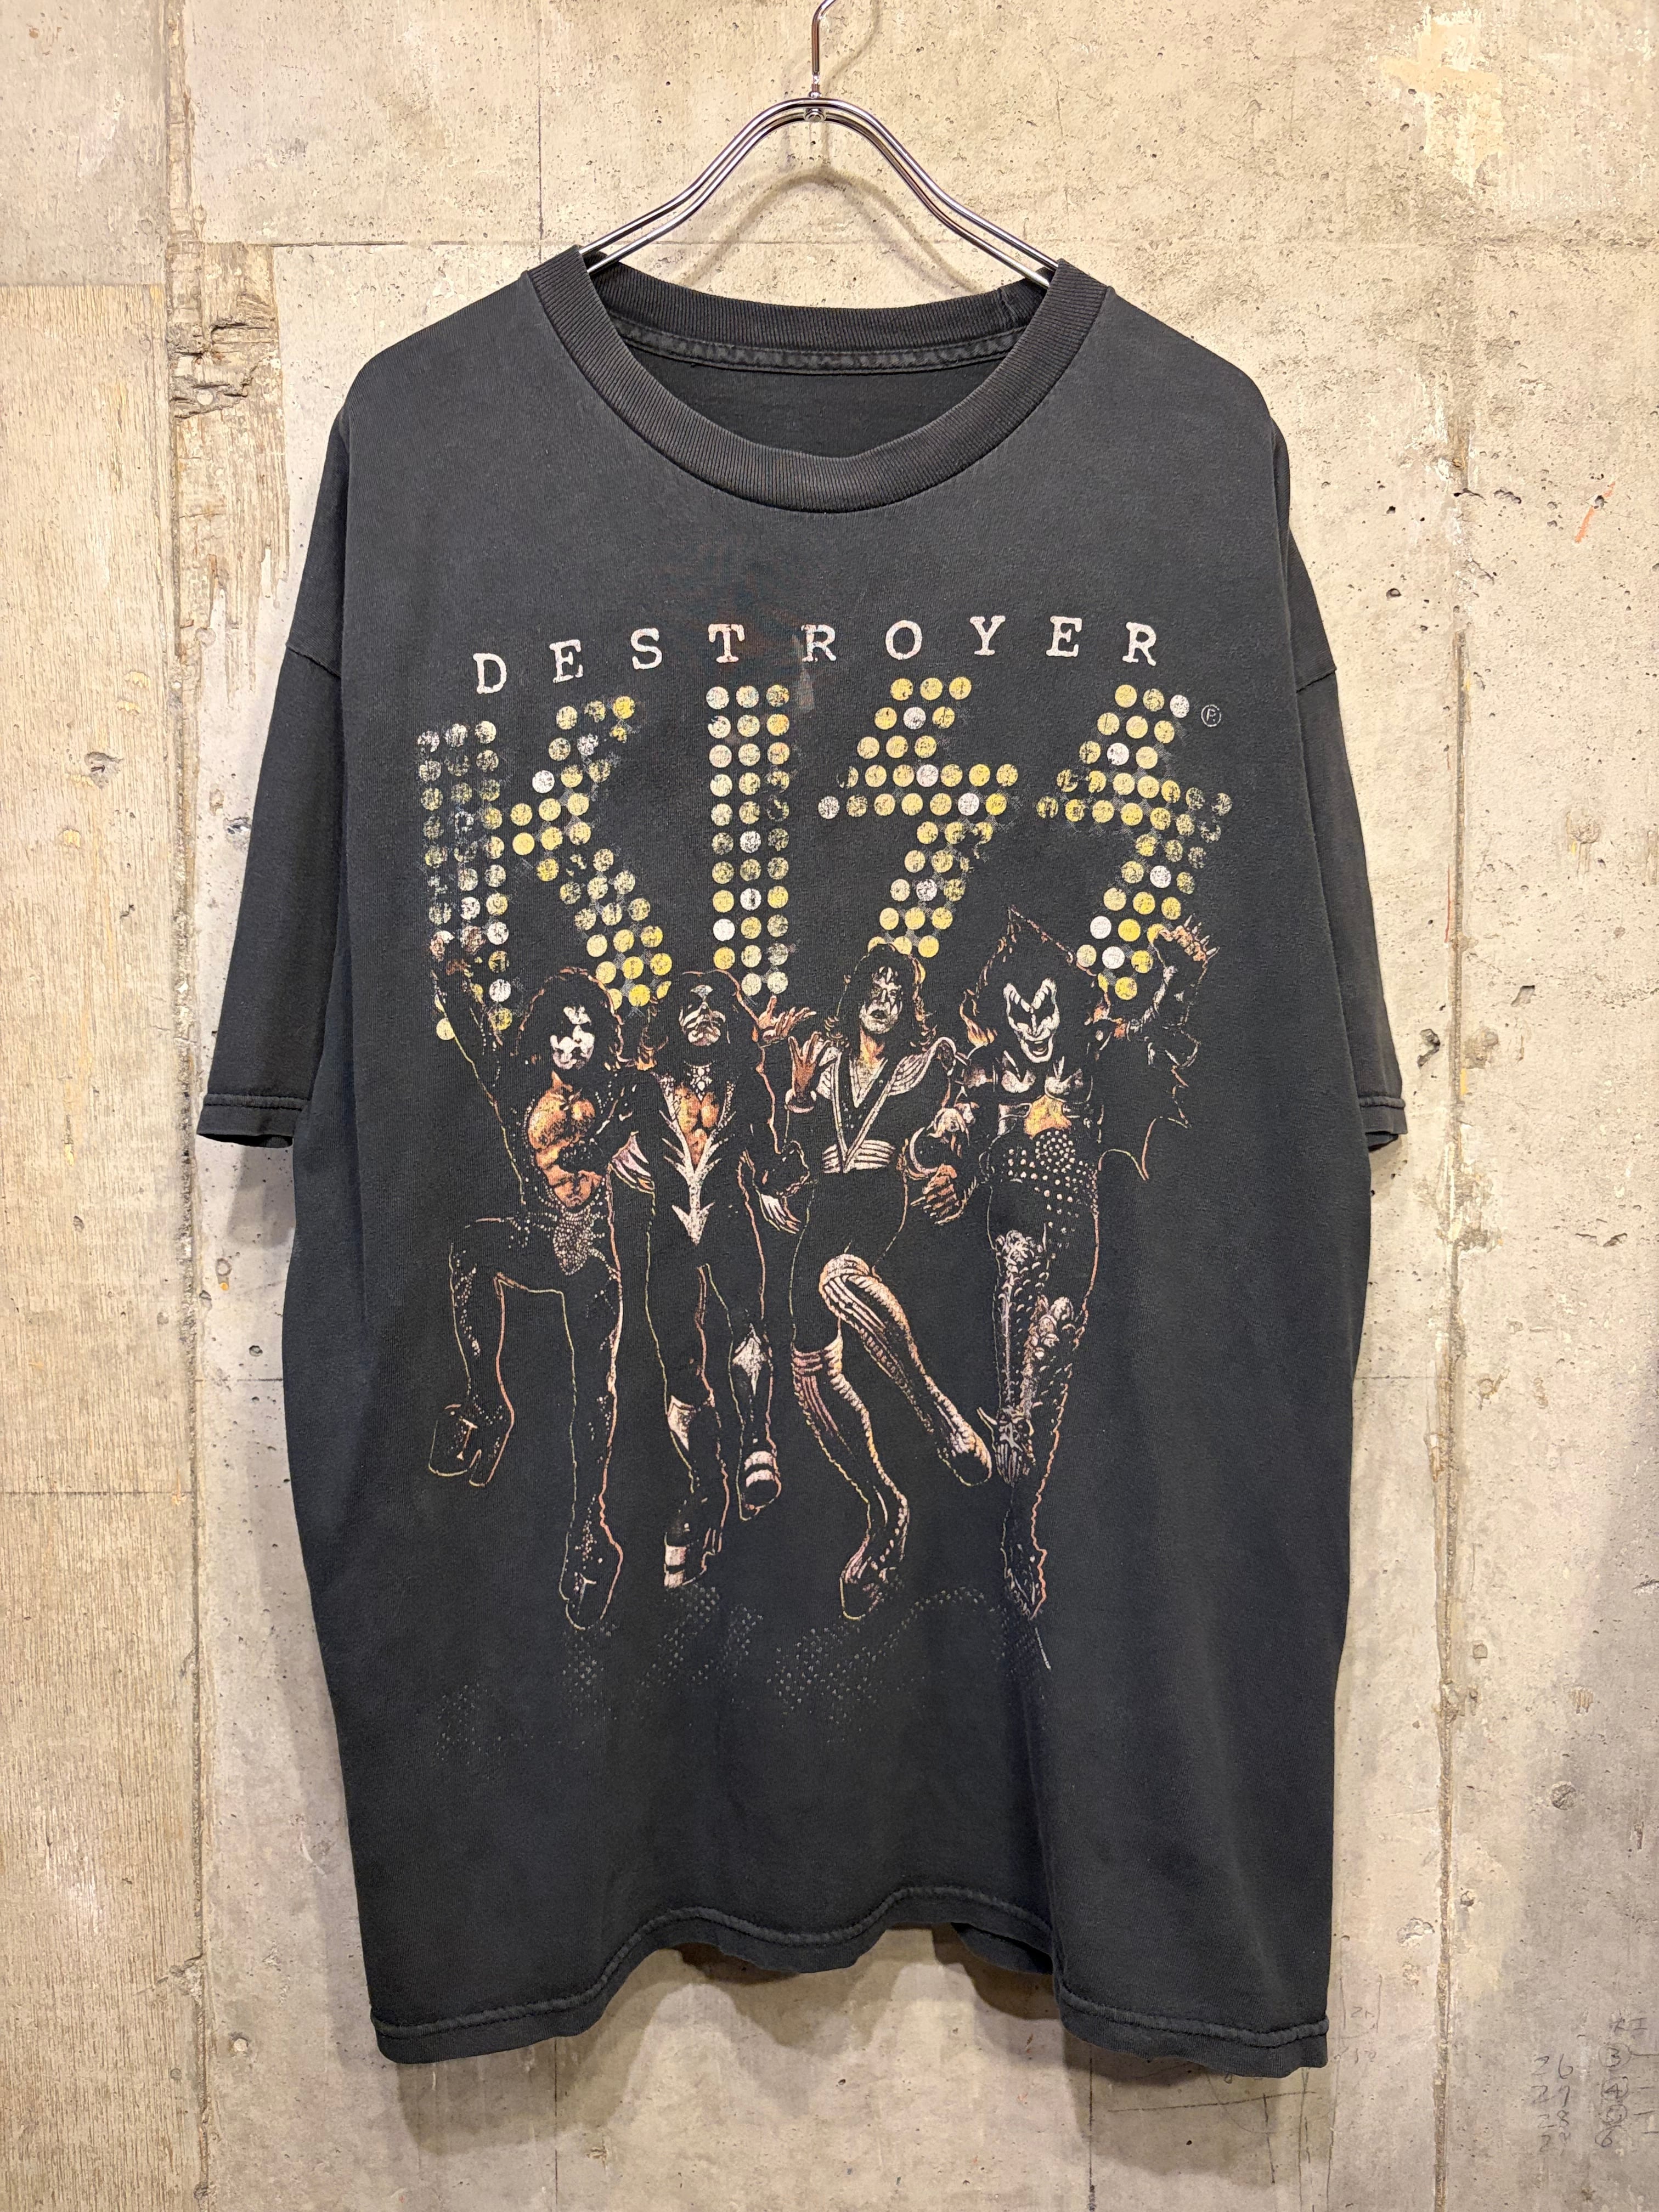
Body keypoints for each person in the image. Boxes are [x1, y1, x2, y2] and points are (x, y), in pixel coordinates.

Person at [927, 911, 1207, 1619]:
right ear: (1002, 1013)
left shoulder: (1090, 1050)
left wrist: (1176, 979)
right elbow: (957, 1121)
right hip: (1013, 1232)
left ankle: (1019, 1518)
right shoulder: (987, 1068)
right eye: (1019, 1012)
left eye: (1044, 1009)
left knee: (1047, 1365)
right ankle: (1012, 1475)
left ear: (1064, 1003)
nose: (1034, 1025)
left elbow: (1151, 1038)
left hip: (1077, 1234)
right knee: (1018, 1277)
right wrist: (949, 1156)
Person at [785, 946, 990, 1621]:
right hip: (820, 1211)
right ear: (856, 997)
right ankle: (882, 1507)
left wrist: (955, 1160)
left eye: (896, 993)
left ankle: (936, 1410)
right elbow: (795, 1149)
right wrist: (799, 1098)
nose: (882, 1002)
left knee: (840, 1279)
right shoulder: (823, 1062)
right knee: (811, 1374)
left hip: (875, 1201)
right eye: (874, 989)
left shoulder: (924, 1065)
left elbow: (959, 1120)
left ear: (908, 1007)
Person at [427, 963, 627, 1629]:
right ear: (545, 1035)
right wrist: (451, 983)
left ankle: (588, 1529)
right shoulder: (520, 1085)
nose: (575, 1042)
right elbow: (480, 1042)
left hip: (592, 1259)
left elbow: (670, 1088)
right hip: (538, 1236)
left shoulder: (618, 1089)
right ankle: (486, 1400)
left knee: (593, 1396)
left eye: (587, 1030)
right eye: (564, 1030)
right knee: (469, 1249)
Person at [596, 972, 805, 1590]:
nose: (704, 1014)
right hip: (668, 1234)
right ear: (672, 1020)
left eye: (715, 1005)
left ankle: (758, 1441)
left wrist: (786, 1175)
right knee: (680, 1364)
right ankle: (706, 1482)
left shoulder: (749, 1083)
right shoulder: (644, 1085)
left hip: (729, 1222)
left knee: (748, 1330)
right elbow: (604, 1140)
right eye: (691, 1006)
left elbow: (766, 1158)